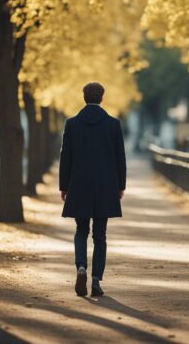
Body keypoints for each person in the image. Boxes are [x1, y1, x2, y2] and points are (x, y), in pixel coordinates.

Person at [59, 82, 126, 297]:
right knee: (100, 234)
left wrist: (64, 186)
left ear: (84, 97)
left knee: (81, 230)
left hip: (79, 185)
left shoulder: (72, 124)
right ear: (102, 98)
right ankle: (96, 281)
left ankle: (81, 267)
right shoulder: (113, 125)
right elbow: (120, 158)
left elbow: (65, 157)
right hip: (106, 185)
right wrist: (120, 186)